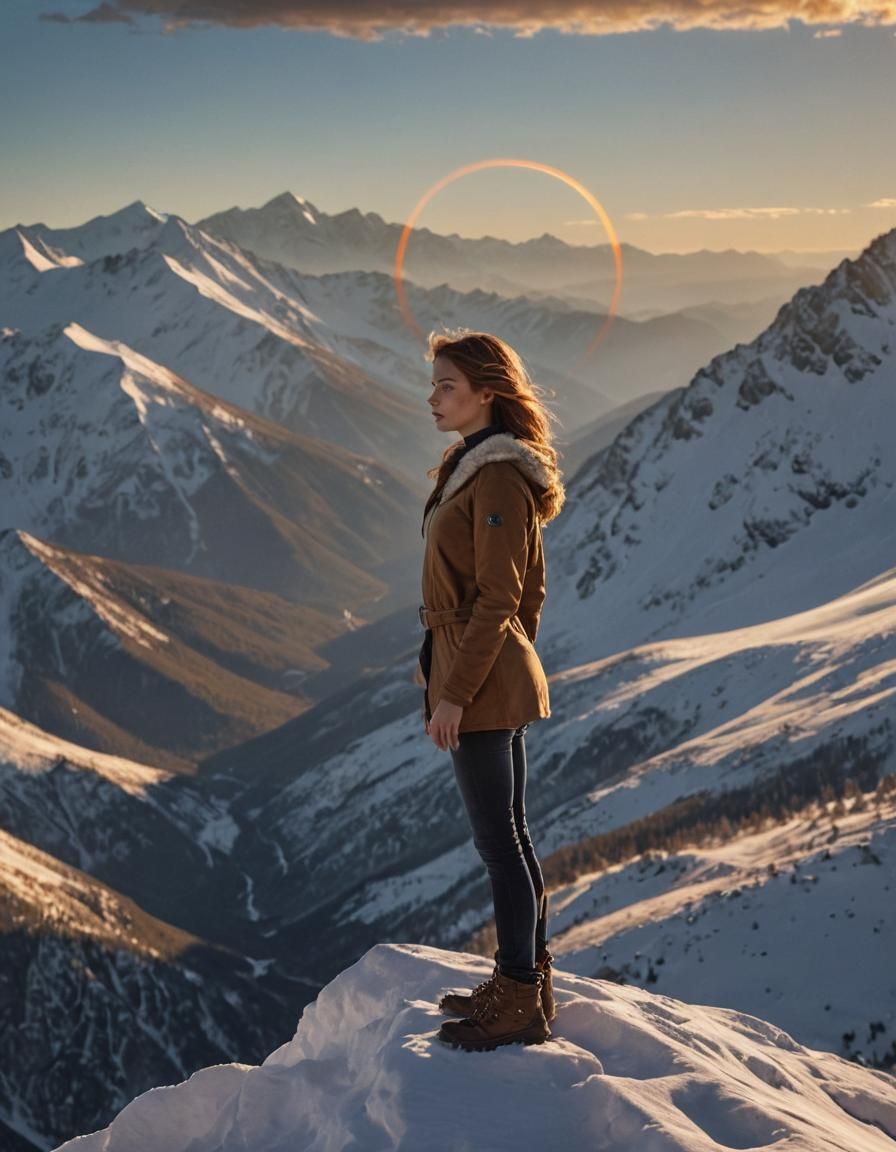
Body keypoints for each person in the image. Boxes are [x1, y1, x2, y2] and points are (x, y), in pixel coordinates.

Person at [416, 328, 566, 1052]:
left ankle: (516, 1001)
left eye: (447, 384)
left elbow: (505, 595)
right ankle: (525, 984)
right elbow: (522, 593)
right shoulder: (472, 465)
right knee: (512, 838)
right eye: (435, 383)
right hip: (483, 672)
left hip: (479, 684)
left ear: (487, 392)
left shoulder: (498, 475)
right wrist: (470, 663)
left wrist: (459, 689)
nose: (434, 397)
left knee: (499, 844)